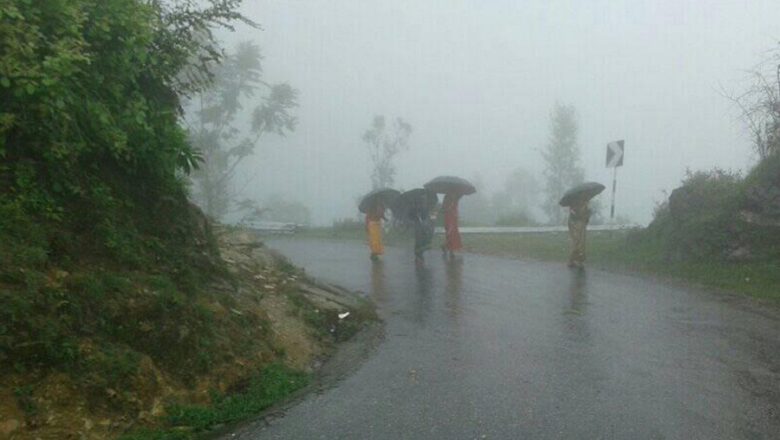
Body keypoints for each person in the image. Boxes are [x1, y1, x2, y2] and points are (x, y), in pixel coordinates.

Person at [412, 191, 436, 262]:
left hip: (425, 226)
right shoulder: (415, 208)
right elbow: (412, 216)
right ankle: (418, 255)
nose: (424, 200)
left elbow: (431, 216)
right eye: (422, 199)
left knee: (424, 239)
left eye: (425, 199)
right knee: (418, 240)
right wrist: (416, 215)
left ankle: (420, 254)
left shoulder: (427, 207)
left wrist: (432, 222)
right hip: (418, 226)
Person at [567, 198, 591, 268]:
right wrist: (581, 216)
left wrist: (587, 215)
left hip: (582, 226)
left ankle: (580, 261)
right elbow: (572, 217)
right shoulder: (573, 206)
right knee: (575, 242)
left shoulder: (586, 206)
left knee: (582, 243)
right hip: (574, 225)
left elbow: (586, 218)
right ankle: (571, 260)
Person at [441, 193, 463, 258]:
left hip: (454, 218)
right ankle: (450, 250)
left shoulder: (456, 198)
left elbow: (456, 207)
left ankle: (446, 247)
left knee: (454, 234)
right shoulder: (447, 197)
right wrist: (448, 208)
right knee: (450, 234)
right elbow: (443, 209)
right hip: (448, 218)